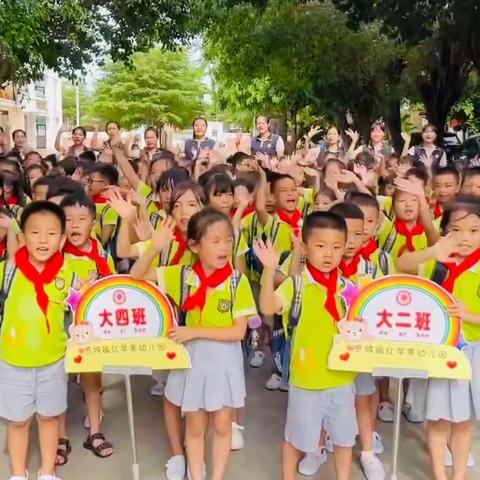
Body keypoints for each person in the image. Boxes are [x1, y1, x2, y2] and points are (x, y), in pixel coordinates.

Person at [131, 208, 257, 480]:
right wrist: (154, 248)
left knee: (223, 426)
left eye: (228, 240)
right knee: (196, 425)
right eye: (215, 241)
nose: (224, 247)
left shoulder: (237, 282)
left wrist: (195, 331)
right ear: (194, 246)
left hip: (224, 364)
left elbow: (238, 332)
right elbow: (137, 276)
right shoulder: (183, 276)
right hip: (192, 363)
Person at [255, 212, 357, 480]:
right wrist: (268, 270)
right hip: (305, 380)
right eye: (320, 245)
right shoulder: (295, 285)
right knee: (295, 438)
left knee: (345, 438)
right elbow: (267, 306)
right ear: (304, 245)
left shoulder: (349, 288)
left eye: (336, 247)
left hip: (342, 378)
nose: (328, 254)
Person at [396, 196, 480, 480]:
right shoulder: (438, 263)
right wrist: (432, 252)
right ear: (445, 232)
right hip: (438, 353)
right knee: (437, 420)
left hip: (472, 353)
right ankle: (439, 475)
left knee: (463, 423)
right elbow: (402, 262)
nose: (465, 238)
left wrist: (468, 315)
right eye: (456, 230)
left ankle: (458, 476)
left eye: (474, 230)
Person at [0, 201, 77, 480]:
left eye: (51, 233)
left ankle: (48, 471)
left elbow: (81, 312)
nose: (43, 240)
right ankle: (18, 474)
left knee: (49, 418)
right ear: (23, 237)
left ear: (63, 239)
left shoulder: (70, 275)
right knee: (18, 422)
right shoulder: (7, 272)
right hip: (12, 363)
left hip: (53, 363)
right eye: (35, 232)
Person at [329, 202, 386, 480]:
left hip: (361, 348)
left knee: (363, 397)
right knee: (328, 396)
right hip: (328, 346)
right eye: (345, 235)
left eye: (358, 235)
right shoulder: (325, 267)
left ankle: (367, 452)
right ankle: (320, 444)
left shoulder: (371, 269)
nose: (351, 242)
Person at [59, 192, 115, 461]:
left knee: (92, 381)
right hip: (60, 327)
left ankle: (95, 431)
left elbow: (110, 284)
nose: (74, 225)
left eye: (81, 219)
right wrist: (77, 295)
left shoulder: (100, 253)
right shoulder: (56, 254)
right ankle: (60, 436)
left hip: (92, 328)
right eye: (68, 220)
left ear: (93, 223)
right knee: (58, 381)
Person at [86, 163, 119, 248]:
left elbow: (104, 240)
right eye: (88, 180)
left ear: (106, 184)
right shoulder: (88, 202)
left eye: (91, 181)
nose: (88, 184)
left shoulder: (110, 207)